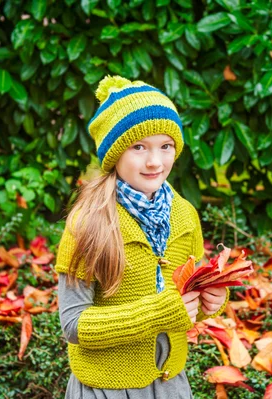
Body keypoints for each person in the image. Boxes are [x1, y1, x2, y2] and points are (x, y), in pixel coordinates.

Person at [56, 75, 229, 398]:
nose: (155, 161)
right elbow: (73, 324)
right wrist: (157, 312)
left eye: (166, 146)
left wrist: (209, 303)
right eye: (139, 147)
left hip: (171, 385)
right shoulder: (89, 223)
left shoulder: (184, 216)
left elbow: (185, 301)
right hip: (106, 389)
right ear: (114, 154)